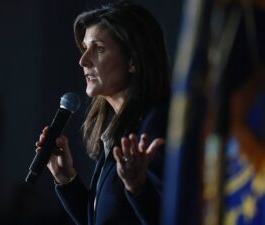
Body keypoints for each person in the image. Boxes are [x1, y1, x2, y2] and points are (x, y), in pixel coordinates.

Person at [35, 1, 170, 224]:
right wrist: (67, 179)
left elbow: (175, 217)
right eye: (85, 48)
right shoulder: (117, 131)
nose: (83, 60)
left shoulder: (154, 125)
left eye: (98, 49)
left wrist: (138, 189)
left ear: (133, 61)